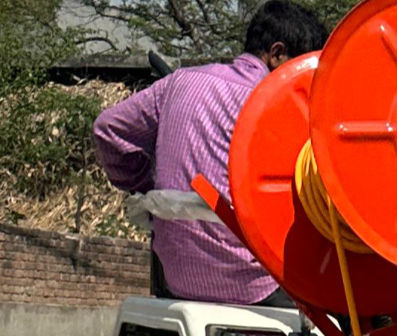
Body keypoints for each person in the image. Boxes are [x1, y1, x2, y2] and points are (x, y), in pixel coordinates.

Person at [93, 2, 327, 306]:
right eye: (300, 67)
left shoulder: (178, 83)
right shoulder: (279, 106)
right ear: (277, 53)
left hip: (176, 277)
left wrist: (146, 186)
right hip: (255, 284)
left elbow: (108, 128)